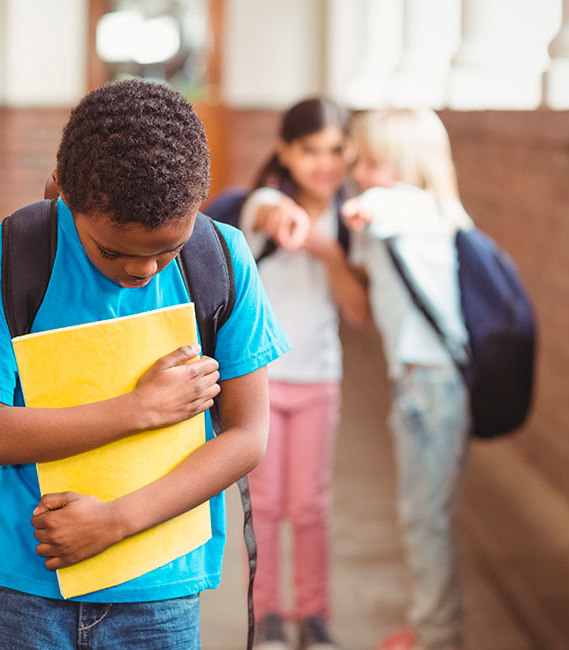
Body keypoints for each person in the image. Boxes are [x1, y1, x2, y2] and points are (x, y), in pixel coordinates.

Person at [0, 78, 290, 649]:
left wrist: (114, 521)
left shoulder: (221, 259)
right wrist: (140, 409)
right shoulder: (13, 254)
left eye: (169, 249)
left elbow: (248, 435)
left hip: (160, 588)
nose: (143, 270)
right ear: (64, 193)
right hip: (25, 581)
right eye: (112, 250)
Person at [233, 98, 369, 650]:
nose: (324, 163)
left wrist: (330, 255)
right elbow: (266, 210)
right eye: (309, 150)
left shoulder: (353, 220)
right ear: (285, 152)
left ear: (350, 153)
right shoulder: (265, 201)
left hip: (318, 379)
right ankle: (267, 615)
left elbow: (358, 311)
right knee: (264, 506)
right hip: (260, 383)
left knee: (310, 506)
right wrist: (285, 220)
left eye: (335, 150)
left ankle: (313, 616)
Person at [342, 108, 474, 650]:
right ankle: (430, 626)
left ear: (407, 165)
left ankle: (436, 636)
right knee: (424, 518)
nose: (360, 174)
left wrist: (361, 204)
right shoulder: (411, 216)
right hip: (421, 385)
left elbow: (376, 206)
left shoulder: (413, 208)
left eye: (373, 162)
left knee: (425, 522)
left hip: (430, 387)